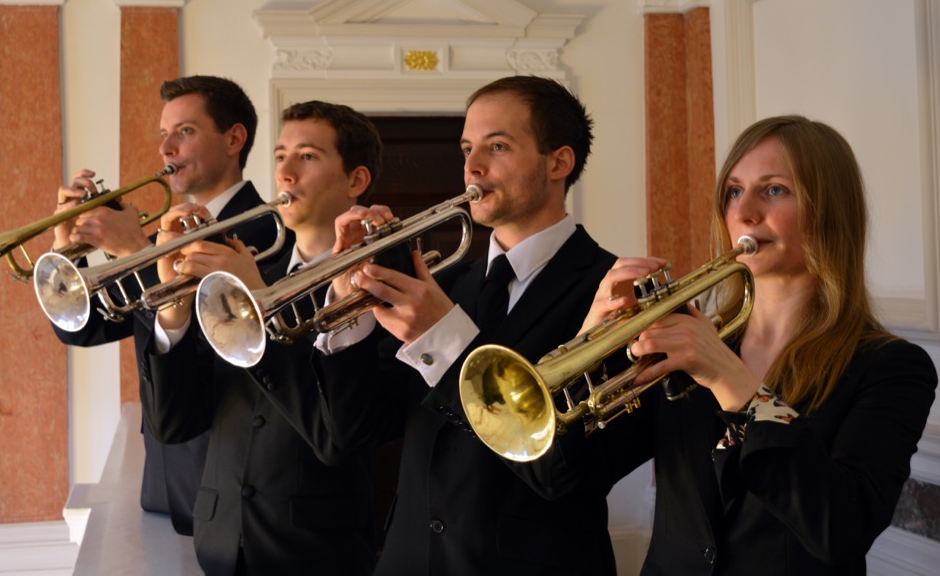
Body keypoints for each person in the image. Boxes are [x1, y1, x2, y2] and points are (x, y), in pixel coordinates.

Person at [576, 115, 937, 574]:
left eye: (773, 190)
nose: (744, 212)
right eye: (733, 191)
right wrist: (591, 342)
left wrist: (738, 386)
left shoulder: (891, 368)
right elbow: (566, 480)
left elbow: (843, 530)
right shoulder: (690, 342)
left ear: (828, 209)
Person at [313, 76, 621, 575]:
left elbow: (569, 471)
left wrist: (448, 343)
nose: (472, 168)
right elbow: (354, 430)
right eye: (467, 148)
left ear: (558, 162)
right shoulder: (446, 283)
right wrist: (346, 310)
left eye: (497, 146)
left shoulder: (612, 290)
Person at [138, 100, 384, 575]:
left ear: (355, 181)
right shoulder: (247, 274)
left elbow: (340, 433)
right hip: (218, 542)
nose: (285, 174)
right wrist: (172, 313)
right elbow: (174, 425)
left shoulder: (376, 282)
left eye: (307, 157)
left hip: (317, 553)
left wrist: (257, 302)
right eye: (279, 157)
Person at [50, 75, 288, 535]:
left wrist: (137, 252)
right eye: (163, 134)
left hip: (225, 480)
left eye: (185, 131)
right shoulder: (165, 232)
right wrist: (65, 254)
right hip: (164, 476)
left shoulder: (266, 232)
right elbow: (83, 329)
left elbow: (205, 341)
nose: (165, 149)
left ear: (233, 139)